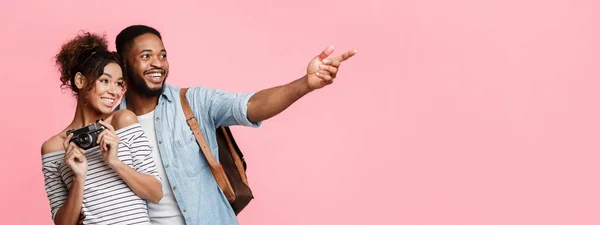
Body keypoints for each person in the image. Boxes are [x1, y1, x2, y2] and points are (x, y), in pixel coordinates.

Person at [114, 24, 357, 225]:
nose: (158, 63)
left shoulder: (193, 102)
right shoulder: (109, 125)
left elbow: (249, 106)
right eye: (146, 56)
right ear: (123, 64)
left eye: (163, 55)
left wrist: (306, 83)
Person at [41, 31, 163, 225]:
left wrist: (114, 162)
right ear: (80, 81)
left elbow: (156, 193)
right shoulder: (54, 147)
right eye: (104, 81)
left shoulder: (123, 121)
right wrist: (78, 178)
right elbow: (63, 223)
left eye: (119, 84)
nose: (114, 92)